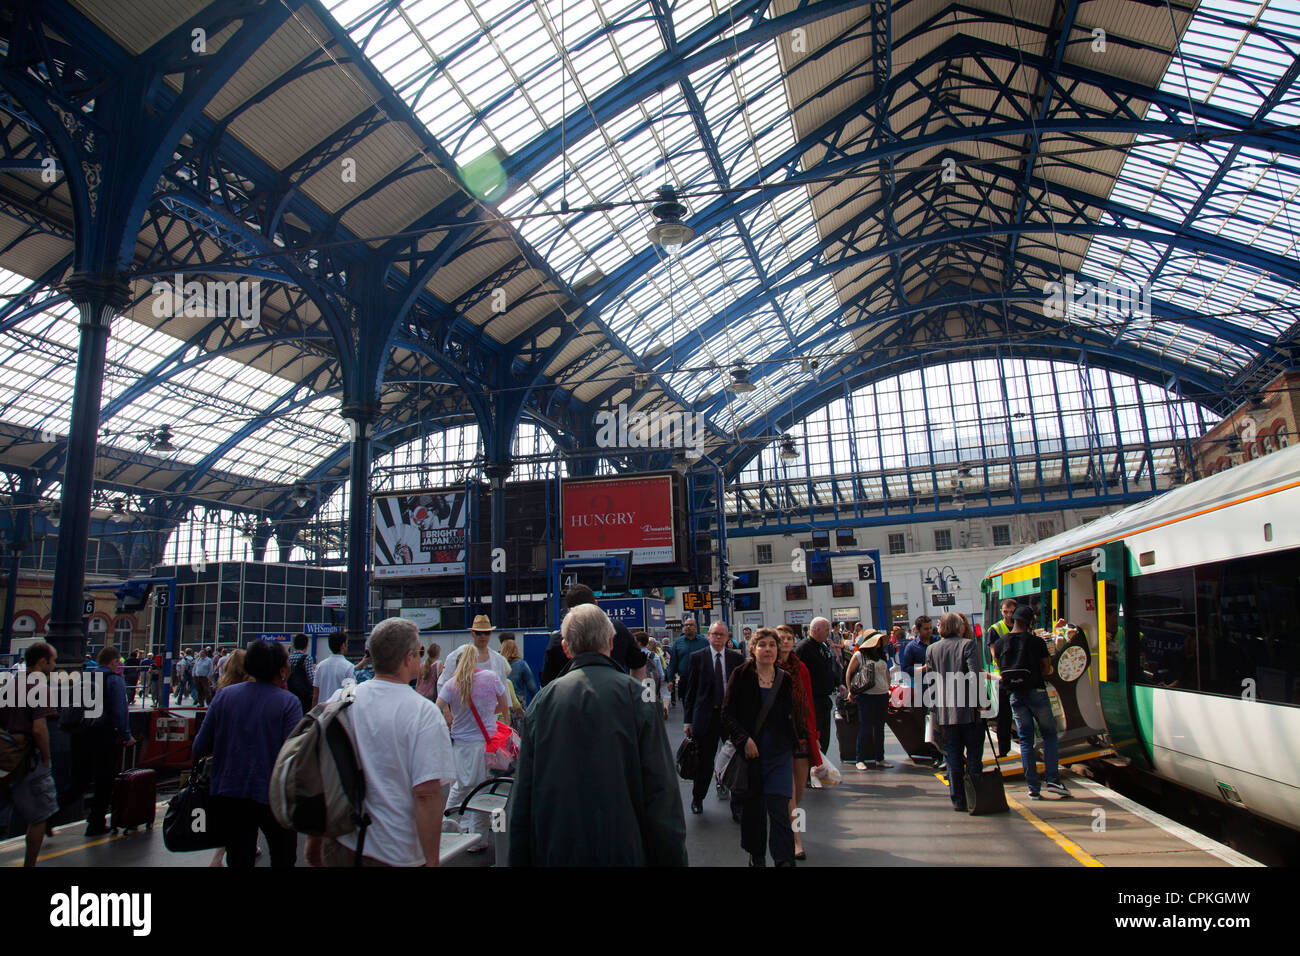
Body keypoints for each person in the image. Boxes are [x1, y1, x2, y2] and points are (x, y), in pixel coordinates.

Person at [509, 604, 686, 866]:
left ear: (566, 648)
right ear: (611, 641)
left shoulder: (542, 703)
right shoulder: (638, 699)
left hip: (556, 851)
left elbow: (523, 798)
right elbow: (662, 796)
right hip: (624, 851)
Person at [307, 618, 457, 867]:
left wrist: (315, 842)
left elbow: (321, 773)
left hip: (342, 844)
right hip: (396, 853)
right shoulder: (423, 713)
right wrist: (432, 861)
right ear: (408, 657)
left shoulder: (341, 699)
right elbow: (427, 794)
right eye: (419, 651)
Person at [191, 640, 301, 866]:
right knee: (284, 856)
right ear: (281, 670)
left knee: (239, 858)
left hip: (229, 792)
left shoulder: (223, 697)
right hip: (273, 796)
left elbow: (199, 746)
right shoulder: (288, 703)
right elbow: (294, 757)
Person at [722, 628, 798, 867]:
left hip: (779, 754)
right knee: (754, 810)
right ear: (753, 650)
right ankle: (757, 856)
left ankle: (784, 859)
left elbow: (791, 714)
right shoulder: (741, 674)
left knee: (780, 809)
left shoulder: (784, 679)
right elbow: (727, 714)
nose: (768, 649)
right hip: (751, 756)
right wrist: (744, 739)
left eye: (772, 645)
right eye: (762, 645)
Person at [437, 633, 510, 845]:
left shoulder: (452, 684)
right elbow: (504, 707)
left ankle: (448, 830)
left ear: (458, 662)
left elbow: (436, 708)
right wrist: (488, 713)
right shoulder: (491, 678)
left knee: (459, 788)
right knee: (488, 790)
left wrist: (453, 715)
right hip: (488, 744)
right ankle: (484, 840)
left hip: (461, 745)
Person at [994, 605, 1070, 799]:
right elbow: (1046, 668)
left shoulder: (1001, 642)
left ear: (1014, 621)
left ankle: (1033, 788)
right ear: (1029, 623)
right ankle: (1053, 780)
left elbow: (998, 665)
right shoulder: (1036, 642)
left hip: (1015, 696)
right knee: (1049, 736)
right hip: (1036, 692)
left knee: (1026, 740)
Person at [0, 643, 59, 866]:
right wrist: (46, 757)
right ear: (42, 662)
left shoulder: (12, 682)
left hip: (6, 756)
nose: (54, 666)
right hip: (28, 759)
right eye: (52, 661)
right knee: (39, 817)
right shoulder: (40, 686)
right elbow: (38, 728)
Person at [682, 620, 745, 818]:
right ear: (708, 636)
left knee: (735, 760)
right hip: (706, 717)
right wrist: (688, 720)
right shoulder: (697, 658)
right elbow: (690, 691)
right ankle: (697, 798)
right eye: (714, 634)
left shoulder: (737, 659)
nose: (718, 638)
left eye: (722, 634)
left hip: (730, 717)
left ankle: (737, 805)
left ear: (728, 637)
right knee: (704, 761)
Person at [924, 613, 984, 810]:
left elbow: (931, 680)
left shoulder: (932, 649)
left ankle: (958, 800)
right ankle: (976, 797)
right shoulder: (968, 645)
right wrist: (981, 702)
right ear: (959, 627)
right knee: (974, 755)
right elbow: (975, 675)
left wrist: (934, 709)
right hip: (968, 710)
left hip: (945, 712)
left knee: (953, 756)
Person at [776, 624, 820, 861]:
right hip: (779, 734)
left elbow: (809, 700)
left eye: (789, 638)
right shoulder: (767, 668)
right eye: (781, 638)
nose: (785, 642)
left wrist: (815, 734)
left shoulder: (800, 668)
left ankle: (790, 823)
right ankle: (796, 839)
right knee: (791, 791)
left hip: (801, 731)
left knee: (800, 790)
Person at [80, 646, 135, 836]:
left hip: (85, 733)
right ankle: (96, 822)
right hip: (105, 734)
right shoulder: (114, 680)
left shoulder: (88, 677)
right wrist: (127, 735)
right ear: (113, 662)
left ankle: (50, 817)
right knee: (105, 780)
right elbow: (120, 712)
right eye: (119, 662)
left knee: (82, 780)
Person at [540, 587, 645, 685]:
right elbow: (639, 664)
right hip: (616, 696)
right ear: (610, 641)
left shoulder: (558, 639)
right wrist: (634, 694)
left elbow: (546, 683)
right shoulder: (617, 629)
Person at [845, 632, 893, 771]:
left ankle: (880, 758)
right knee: (865, 728)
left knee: (880, 729)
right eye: (876, 640)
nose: (879, 643)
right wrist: (850, 691)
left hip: (882, 695)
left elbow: (886, 674)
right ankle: (860, 759)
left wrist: (888, 688)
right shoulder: (859, 655)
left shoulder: (881, 655)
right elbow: (849, 673)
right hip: (866, 696)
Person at [901, 615, 944, 769]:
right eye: (925, 629)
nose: (929, 631)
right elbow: (905, 669)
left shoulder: (938, 641)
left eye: (930, 628)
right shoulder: (912, 647)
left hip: (942, 686)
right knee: (932, 723)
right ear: (917, 630)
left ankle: (946, 754)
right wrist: (922, 669)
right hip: (925, 689)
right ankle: (936, 756)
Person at [795, 617, 841, 756]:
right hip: (812, 700)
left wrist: (838, 683)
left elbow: (827, 669)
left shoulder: (823, 646)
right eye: (826, 630)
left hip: (824, 699)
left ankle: (822, 764)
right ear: (816, 630)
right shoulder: (803, 648)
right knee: (815, 737)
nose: (828, 633)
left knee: (825, 737)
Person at [440, 615, 511, 690]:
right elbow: (443, 682)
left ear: (490, 634)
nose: (483, 636)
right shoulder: (459, 654)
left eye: (486, 633)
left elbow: (503, 688)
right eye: (479, 633)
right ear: (472, 633)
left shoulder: (497, 659)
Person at [985, 598, 1019, 757]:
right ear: (1001, 611)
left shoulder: (1022, 625)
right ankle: (1003, 750)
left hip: (1018, 674)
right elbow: (994, 654)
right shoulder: (995, 629)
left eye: (1011, 612)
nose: (1009, 615)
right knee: (1004, 716)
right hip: (1002, 677)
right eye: (1006, 612)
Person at [665, 616, 708, 708]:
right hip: (685, 680)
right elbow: (673, 663)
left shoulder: (704, 642)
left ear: (696, 628)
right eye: (686, 625)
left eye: (690, 625)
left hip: (701, 680)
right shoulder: (678, 642)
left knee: (701, 707)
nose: (688, 627)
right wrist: (670, 680)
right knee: (687, 706)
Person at [312, 631, 355, 707]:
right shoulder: (349, 667)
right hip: (338, 713)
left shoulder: (320, 666)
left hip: (321, 713)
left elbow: (316, 695)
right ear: (343, 646)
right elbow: (348, 696)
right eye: (346, 643)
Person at [635, 631, 667, 718]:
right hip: (650, 682)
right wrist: (660, 682)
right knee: (650, 703)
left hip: (637, 682)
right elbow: (661, 673)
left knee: (639, 706)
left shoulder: (634, 655)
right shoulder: (654, 655)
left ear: (639, 642)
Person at [500, 638, 538, 707]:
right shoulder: (522, 664)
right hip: (518, 703)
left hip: (502, 702)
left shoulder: (498, 664)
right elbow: (532, 688)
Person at [285, 634, 314, 713]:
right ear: (306, 645)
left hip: (291, 692)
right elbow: (311, 678)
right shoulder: (307, 658)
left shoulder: (288, 658)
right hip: (304, 696)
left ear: (294, 645)